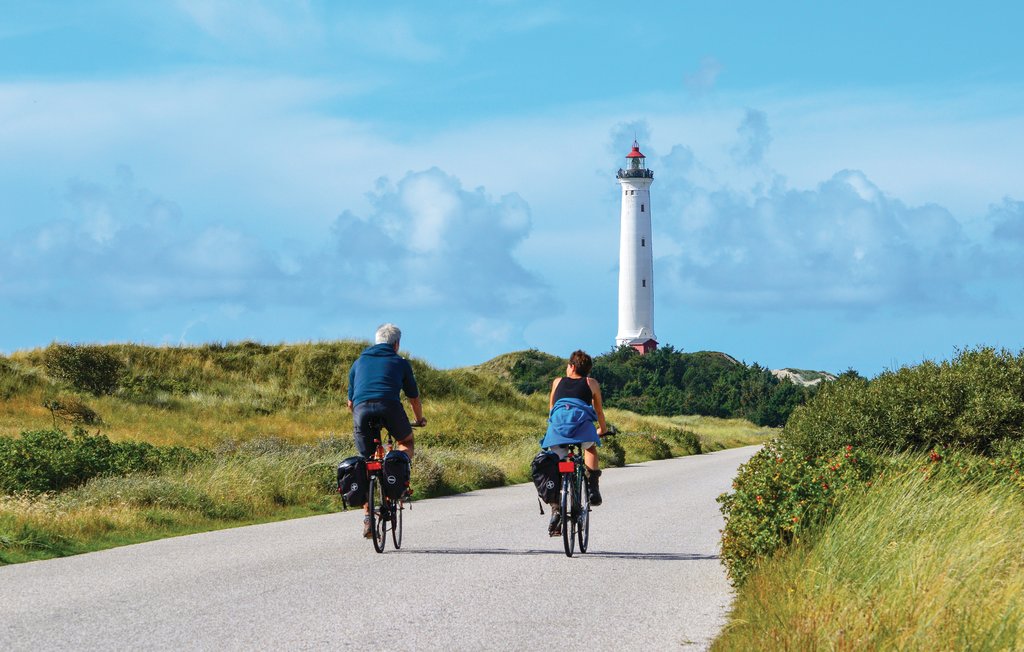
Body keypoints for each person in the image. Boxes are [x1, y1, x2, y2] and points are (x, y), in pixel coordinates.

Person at [347, 323, 426, 538]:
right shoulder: (400, 363)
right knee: (406, 442)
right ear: (396, 344)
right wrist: (419, 420)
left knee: (365, 462)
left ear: (377, 340)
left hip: (362, 411)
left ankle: (367, 518)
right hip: (389, 407)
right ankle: (394, 466)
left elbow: (350, 404)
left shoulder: (359, 362)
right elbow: (413, 398)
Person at [540, 349, 607, 537]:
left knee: (557, 463)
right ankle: (593, 488)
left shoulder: (557, 382)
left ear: (571, 366)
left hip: (558, 430)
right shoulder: (591, 383)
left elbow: (552, 409)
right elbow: (599, 411)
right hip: (581, 427)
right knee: (590, 447)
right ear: (587, 370)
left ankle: (556, 508)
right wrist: (602, 429)